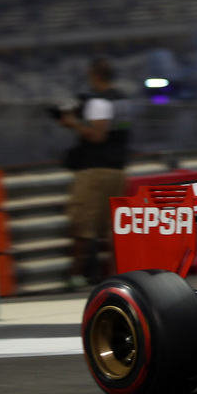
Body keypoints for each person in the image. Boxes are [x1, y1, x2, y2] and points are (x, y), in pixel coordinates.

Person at [59, 58, 130, 288]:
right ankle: (117, 274)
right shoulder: (122, 100)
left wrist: (73, 124)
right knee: (110, 226)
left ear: (94, 75)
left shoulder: (99, 101)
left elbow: (98, 136)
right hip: (117, 169)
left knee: (83, 223)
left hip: (96, 171)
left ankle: (76, 275)